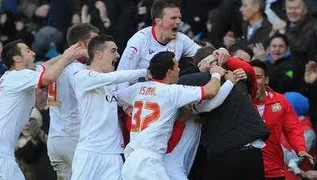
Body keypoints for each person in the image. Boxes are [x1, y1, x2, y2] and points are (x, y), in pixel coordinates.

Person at [117, 51, 225, 180]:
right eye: (177, 66)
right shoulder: (172, 92)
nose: (179, 69)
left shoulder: (138, 88)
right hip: (148, 161)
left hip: (130, 162)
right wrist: (217, 74)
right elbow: (211, 91)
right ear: (170, 72)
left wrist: (127, 107)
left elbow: (116, 97)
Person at [0, 39, 86, 179]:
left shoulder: (14, 75)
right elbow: (48, 77)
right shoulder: (18, 76)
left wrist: (70, 53)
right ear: (17, 58)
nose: (33, 53)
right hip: (0, 155)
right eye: (27, 50)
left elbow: (46, 66)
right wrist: (68, 57)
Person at [178, 48, 270, 180]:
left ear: (199, 65)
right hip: (254, 154)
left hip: (227, 154)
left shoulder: (195, 80)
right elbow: (250, 73)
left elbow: (207, 105)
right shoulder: (240, 79)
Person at [71, 35, 149, 180]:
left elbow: (122, 95)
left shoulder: (111, 82)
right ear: (98, 55)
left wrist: (126, 106)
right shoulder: (82, 76)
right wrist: (145, 72)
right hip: (90, 151)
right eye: (113, 51)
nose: (118, 56)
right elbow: (111, 78)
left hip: (114, 153)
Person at [46, 23, 99, 180]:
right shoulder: (78, 70)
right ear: (81, 45)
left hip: (55, 139)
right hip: (74, 139)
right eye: (95, 42)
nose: (99, 46)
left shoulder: (55, 66)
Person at [250, 59, 313, 179]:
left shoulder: (281, 101)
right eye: (251, 78)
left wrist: (300, 148)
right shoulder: (239, 102)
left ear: (266, 79)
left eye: (258, 77)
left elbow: (292, 128)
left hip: (274, 169)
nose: (254, 82)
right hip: (246, 170)